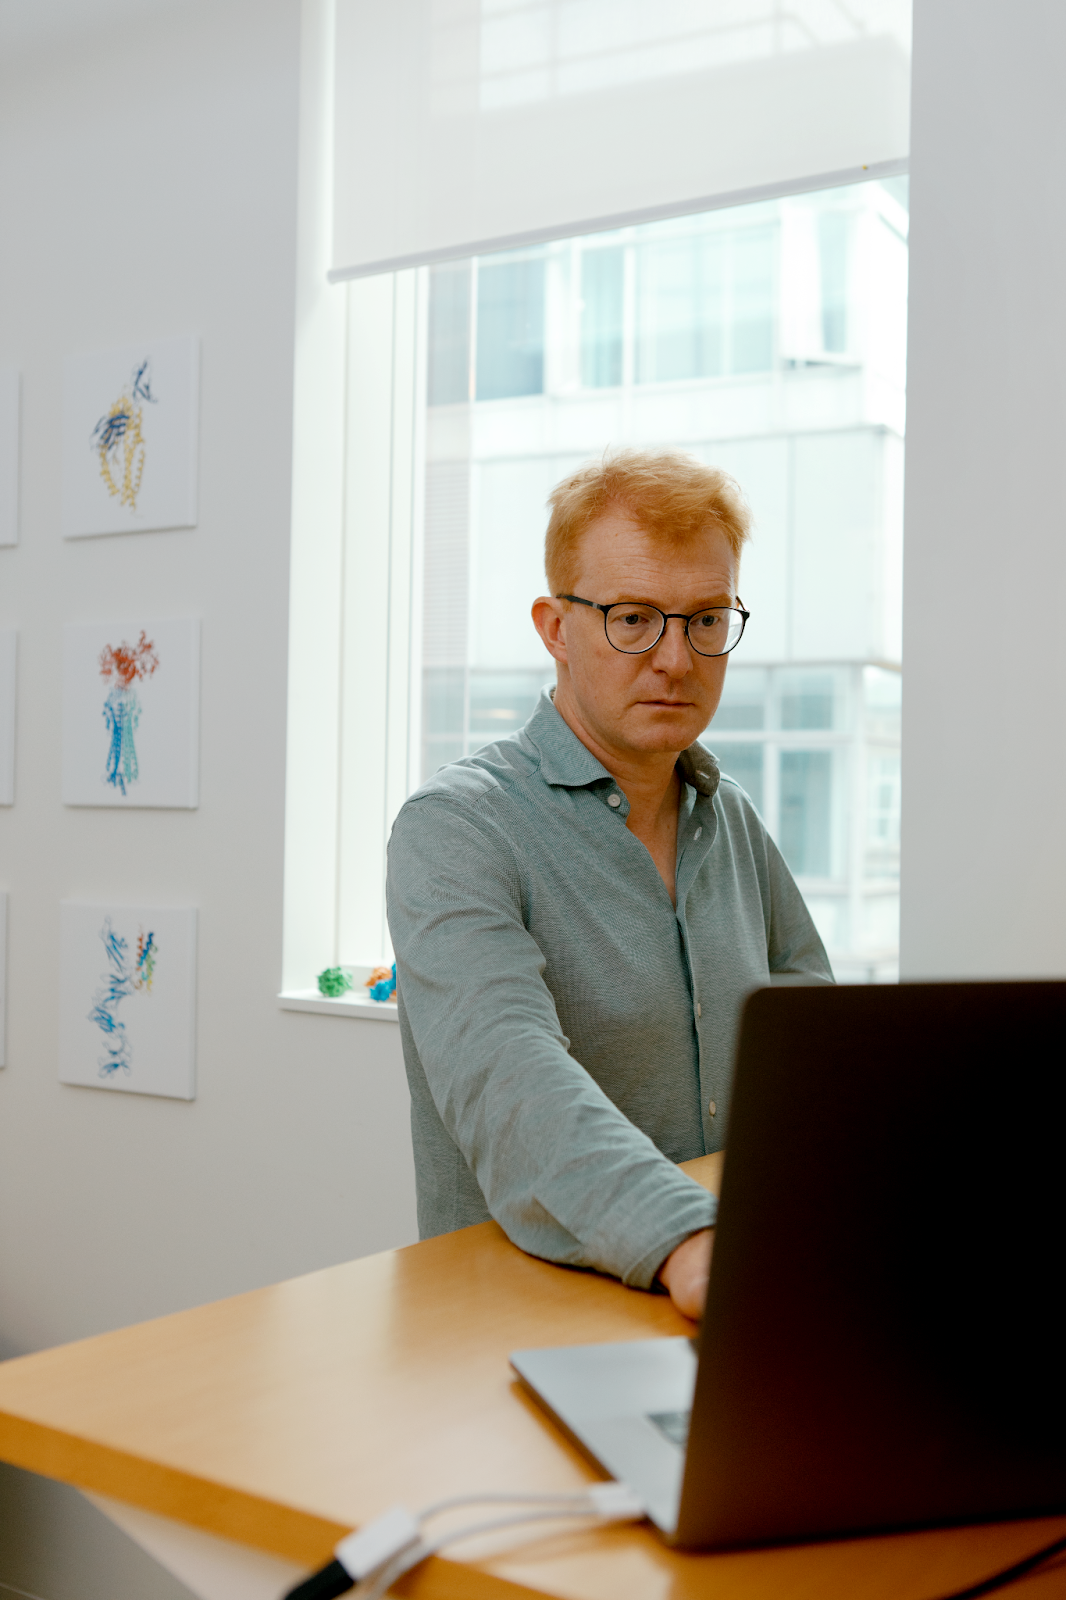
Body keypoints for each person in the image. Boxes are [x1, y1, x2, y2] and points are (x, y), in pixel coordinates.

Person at [387, 449, 832, 1319]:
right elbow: (509, 1077)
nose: (675, 658)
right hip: (516, 1327)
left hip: (730, 1299)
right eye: (633, 618)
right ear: (555, 628)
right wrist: (688, 1241)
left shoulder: (731, 818)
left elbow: (816, 1058)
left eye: (706, 619)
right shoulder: (455, 828)